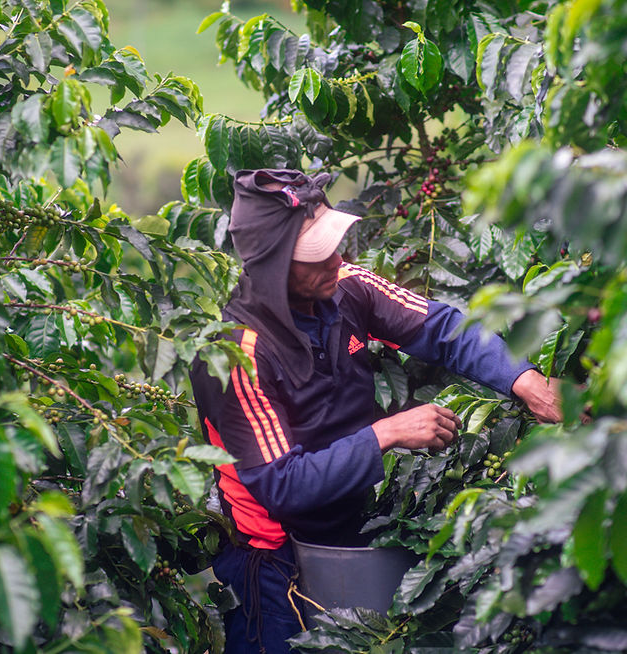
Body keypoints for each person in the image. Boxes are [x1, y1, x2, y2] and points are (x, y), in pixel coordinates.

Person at [189, 169, 561, 654]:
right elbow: (281, 485)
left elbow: (444, 328)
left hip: (351, 533)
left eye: (334, 245)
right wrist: (384, 434)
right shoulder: (236, 353)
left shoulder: (346, 286)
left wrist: (525, 379)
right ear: (273, 265)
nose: (336, 260)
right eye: (316, 255)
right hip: (276, 566)